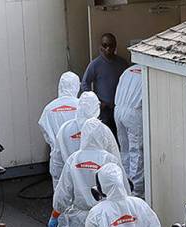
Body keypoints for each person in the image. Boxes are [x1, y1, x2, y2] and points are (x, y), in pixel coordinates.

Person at [37, 71, 80, 227]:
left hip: (58, 158)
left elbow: (46, 132)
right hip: (77, 157)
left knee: (60, 195)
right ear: (76, 86)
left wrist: (56, 145)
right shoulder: (80, 107)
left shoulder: (49, 109)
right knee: (77, 195)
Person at [49, 92, 120, 189]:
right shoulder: (103, 130)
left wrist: (59, 185)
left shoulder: (65, 129)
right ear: (96, 108)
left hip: (72, 185)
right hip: (101, 189)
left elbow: (57, 161)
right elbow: (115, 160)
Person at [81, 33, 128, 137]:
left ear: (115, 46)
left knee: (120, 138)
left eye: (111, 45)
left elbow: (129, 84)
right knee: (104, 137)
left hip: (119, 108)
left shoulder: (122, 63)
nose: (108, 48)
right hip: (103, 110)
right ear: (100, 47)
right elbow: (85, 83)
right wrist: (96, 101)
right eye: (105, 45)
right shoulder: (95, 64)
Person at [114, 66, 144, 197]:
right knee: (136, 152)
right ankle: (136, 191)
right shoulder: (146, 72)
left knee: (124, 150)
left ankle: (124, 185)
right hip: (134, 113)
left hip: (118, 110)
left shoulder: (127, 71)